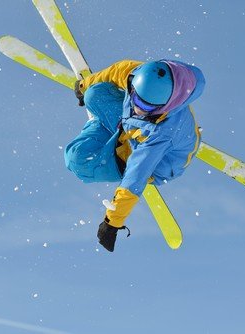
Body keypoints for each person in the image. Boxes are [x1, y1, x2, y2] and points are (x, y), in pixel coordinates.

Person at [66, 59, 205, 252]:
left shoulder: (162, 133)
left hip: (158, 163)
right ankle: (116, 135)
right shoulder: (139, 73)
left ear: (166, 105)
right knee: (94, 94)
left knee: (79, 163)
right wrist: (84, 85)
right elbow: (114, 72)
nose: (138, 108)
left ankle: (116, 141)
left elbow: (136, 175)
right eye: (136, 99)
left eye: (147, 107)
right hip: (138, 129)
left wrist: (112, 223)